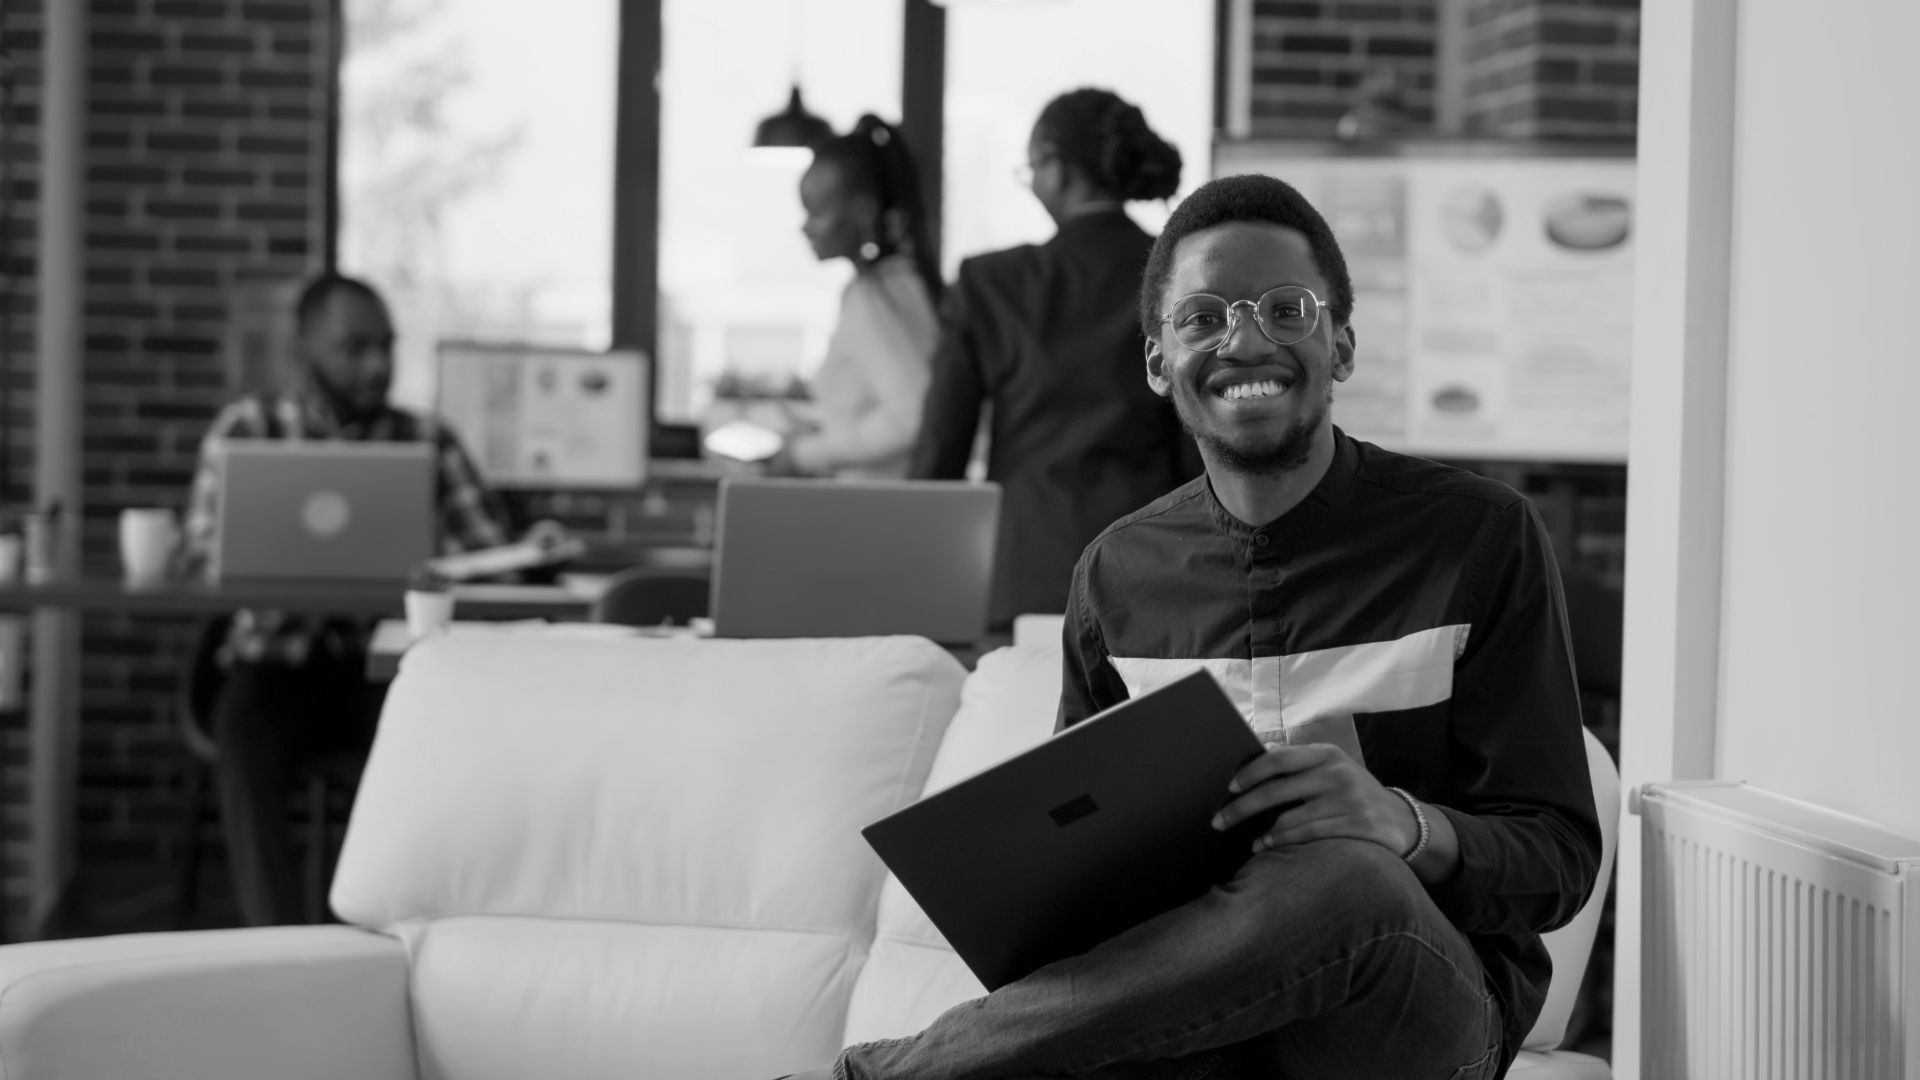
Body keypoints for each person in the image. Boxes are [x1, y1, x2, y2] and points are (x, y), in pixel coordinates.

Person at [782, 174, 1601, 1078]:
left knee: (1344, 873)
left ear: (1342, 345)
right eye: (1203, 318)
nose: (1246, 339)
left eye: (1286, 310)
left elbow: (1558, 859)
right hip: (1197, 1029)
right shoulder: (1117, 575)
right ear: (1158, 362)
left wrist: (1403, 826)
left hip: (1414, 1016)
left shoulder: (1479, 537)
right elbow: (1083, 875)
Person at [179, 272, 539, 927]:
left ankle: (393, 940)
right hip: (274, 663)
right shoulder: (247, 429)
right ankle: (281, 948)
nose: (377, 364)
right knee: (243, 739)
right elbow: (203, 556)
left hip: (389, 668)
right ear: (305, 348)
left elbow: (490, 559)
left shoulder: (428, 438)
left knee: (449, 742)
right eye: (354, 347)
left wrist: (493, 560)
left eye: (386, 346)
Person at [910, 88, 1200, 632]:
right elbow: (1199, 450)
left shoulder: (991, 284)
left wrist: (917, 587)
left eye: (1032, 167)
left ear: (1058, 169)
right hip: (1154, 575)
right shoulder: (1181, 279)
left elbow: (939, 455)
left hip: (1023, 579)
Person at [774, 115, 941, 479]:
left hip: (875, 515)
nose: (805, 227)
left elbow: (910, 416)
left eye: (815, 210)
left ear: (863, 211)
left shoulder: (874, 298)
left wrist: (805, 454)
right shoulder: (904, 282)